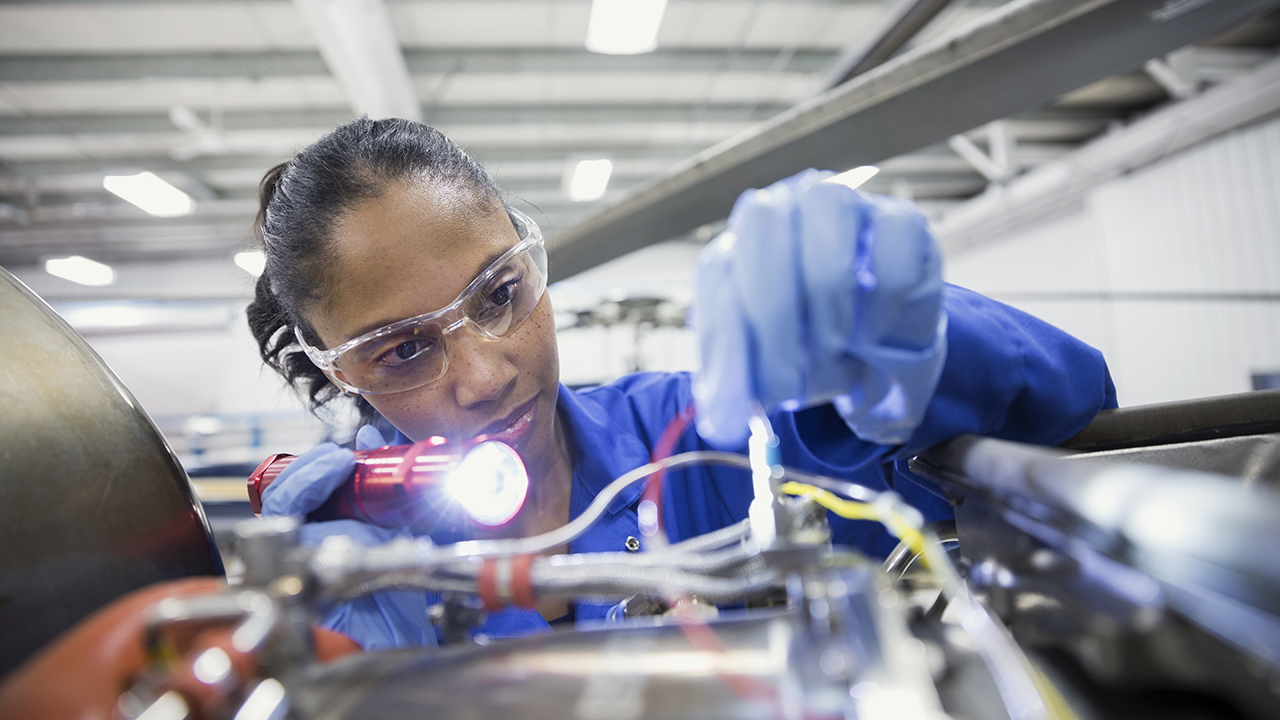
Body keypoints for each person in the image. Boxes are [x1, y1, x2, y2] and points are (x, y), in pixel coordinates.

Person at [247, 117, 1116, 650]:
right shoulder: (339, 570)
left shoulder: (693, 443)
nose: (483, 375)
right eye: (402, 351)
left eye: (500, 295)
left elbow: (1065, 423)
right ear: (337, 372)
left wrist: (918, 351)